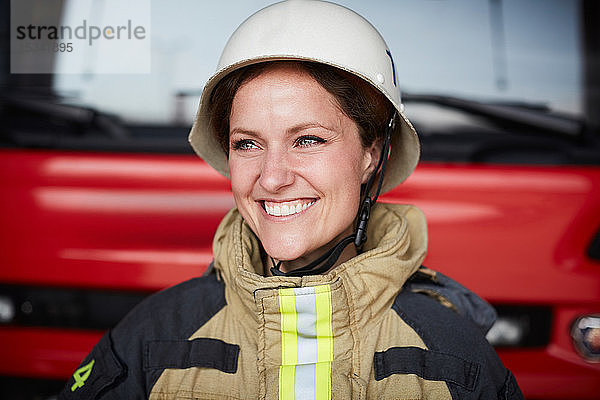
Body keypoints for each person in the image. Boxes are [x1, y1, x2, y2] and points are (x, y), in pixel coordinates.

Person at [60, 1, 523, 399]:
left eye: (308, 140)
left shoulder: (455, 357)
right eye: (247, 143)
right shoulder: (153, 337)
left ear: (371, 156)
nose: (272, 177)